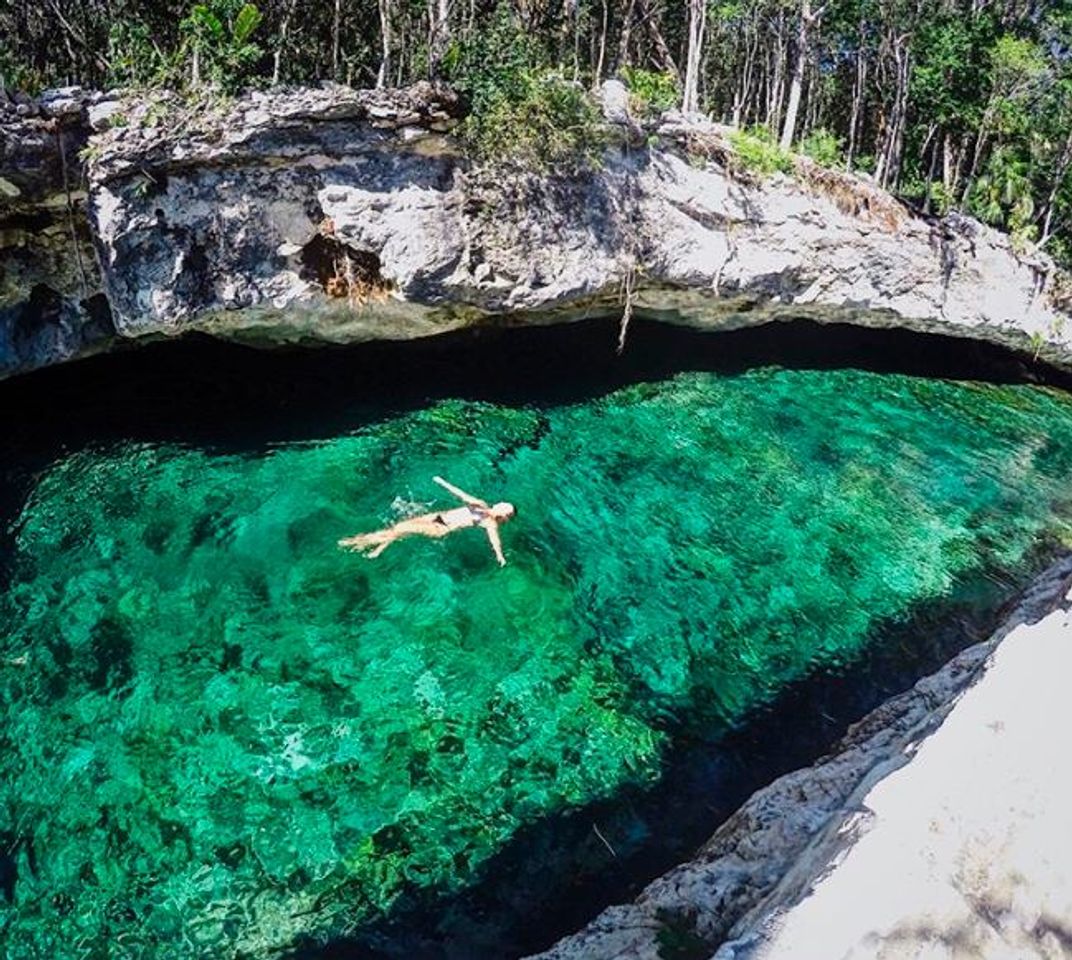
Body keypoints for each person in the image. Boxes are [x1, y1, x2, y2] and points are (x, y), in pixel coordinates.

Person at [339, 476, 516, 566]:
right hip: (437, 516)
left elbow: (494, 539)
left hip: (441, 528)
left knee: (400, 528)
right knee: (399, 528)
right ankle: (376, 547)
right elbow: (461, 494)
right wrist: (443, 483)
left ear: (503, 514)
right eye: (504, 503)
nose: (502, 502)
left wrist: (499, 556)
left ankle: (357, 543)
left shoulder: (490, 522)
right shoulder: (481, 504)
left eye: (505, 507)